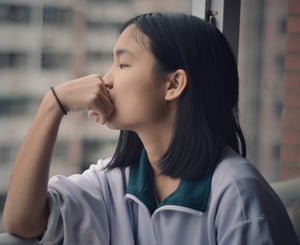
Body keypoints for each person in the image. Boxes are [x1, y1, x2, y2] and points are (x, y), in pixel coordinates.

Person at [2, 12, 299, 245]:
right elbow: (22, 221)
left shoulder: (237, 195)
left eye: (123, 65)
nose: (105, 80)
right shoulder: (116, 182)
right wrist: (52, 104)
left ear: (173, 84)